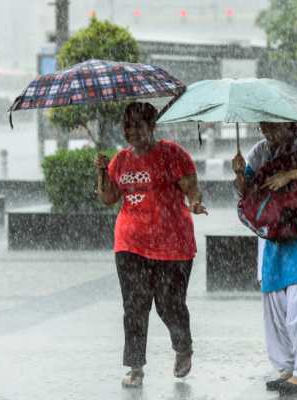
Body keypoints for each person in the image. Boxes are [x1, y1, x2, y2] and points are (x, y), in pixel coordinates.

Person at [96, 102, 208, 388]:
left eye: (138, 126)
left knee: (169, 305)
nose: (132, 132)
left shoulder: (172, 154)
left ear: (152, 126)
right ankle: (136, 367)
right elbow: (108, 198)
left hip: (173, 244)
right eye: (128, 127)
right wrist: (101, 172)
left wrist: (195, 203)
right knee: (134, 306)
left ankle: (183, 347)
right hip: (130, 244)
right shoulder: (120, 160)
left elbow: (191, 186)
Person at [232, 121, 297, 396]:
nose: (268, 135)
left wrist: (289, 175)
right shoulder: (258, 152)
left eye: (273, 128)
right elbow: (246, 192)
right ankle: (286, 368)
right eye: (263, 129)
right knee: (276, 304)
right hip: (273, 237)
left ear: (288, 123)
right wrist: (239, 175)